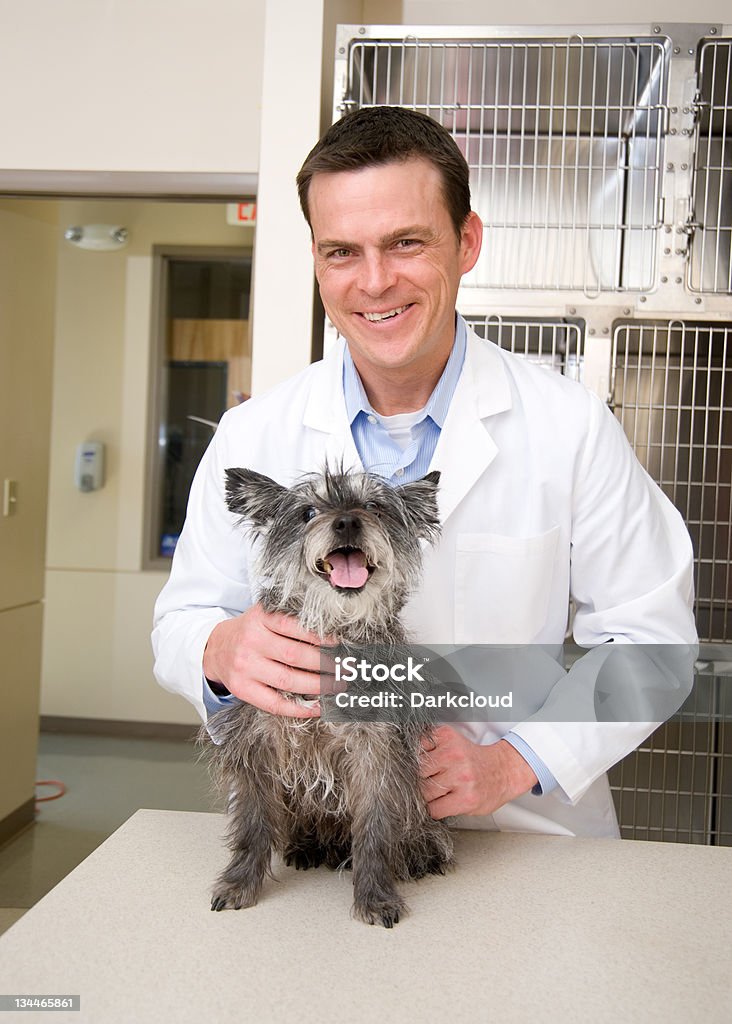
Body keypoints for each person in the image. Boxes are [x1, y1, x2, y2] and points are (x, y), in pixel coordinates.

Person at [152, 106, 697, 838]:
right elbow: (183, 621)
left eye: (406, 242)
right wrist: (219, 650)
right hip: (318, 839)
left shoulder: (568, 427)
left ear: (466, 242)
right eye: (342, 252)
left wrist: (513, 761)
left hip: (518, 836)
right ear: (316, 260)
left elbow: (653, 644)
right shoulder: (257, 434)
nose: (375, 282)